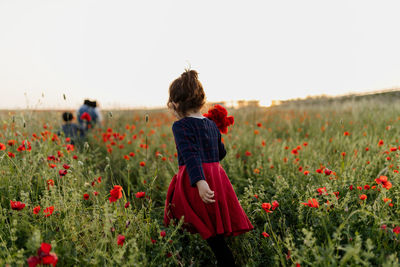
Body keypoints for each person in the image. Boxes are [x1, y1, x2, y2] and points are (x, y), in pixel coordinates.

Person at [163, 69, 254, 267]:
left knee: (185, 219)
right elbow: (221, 153)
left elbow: (190, 155)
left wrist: (200, 181)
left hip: (196, 179)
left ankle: (221, 260)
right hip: (216, 176)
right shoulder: (211, 124)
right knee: (211, 223)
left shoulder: (180, 126)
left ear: (176, 103)